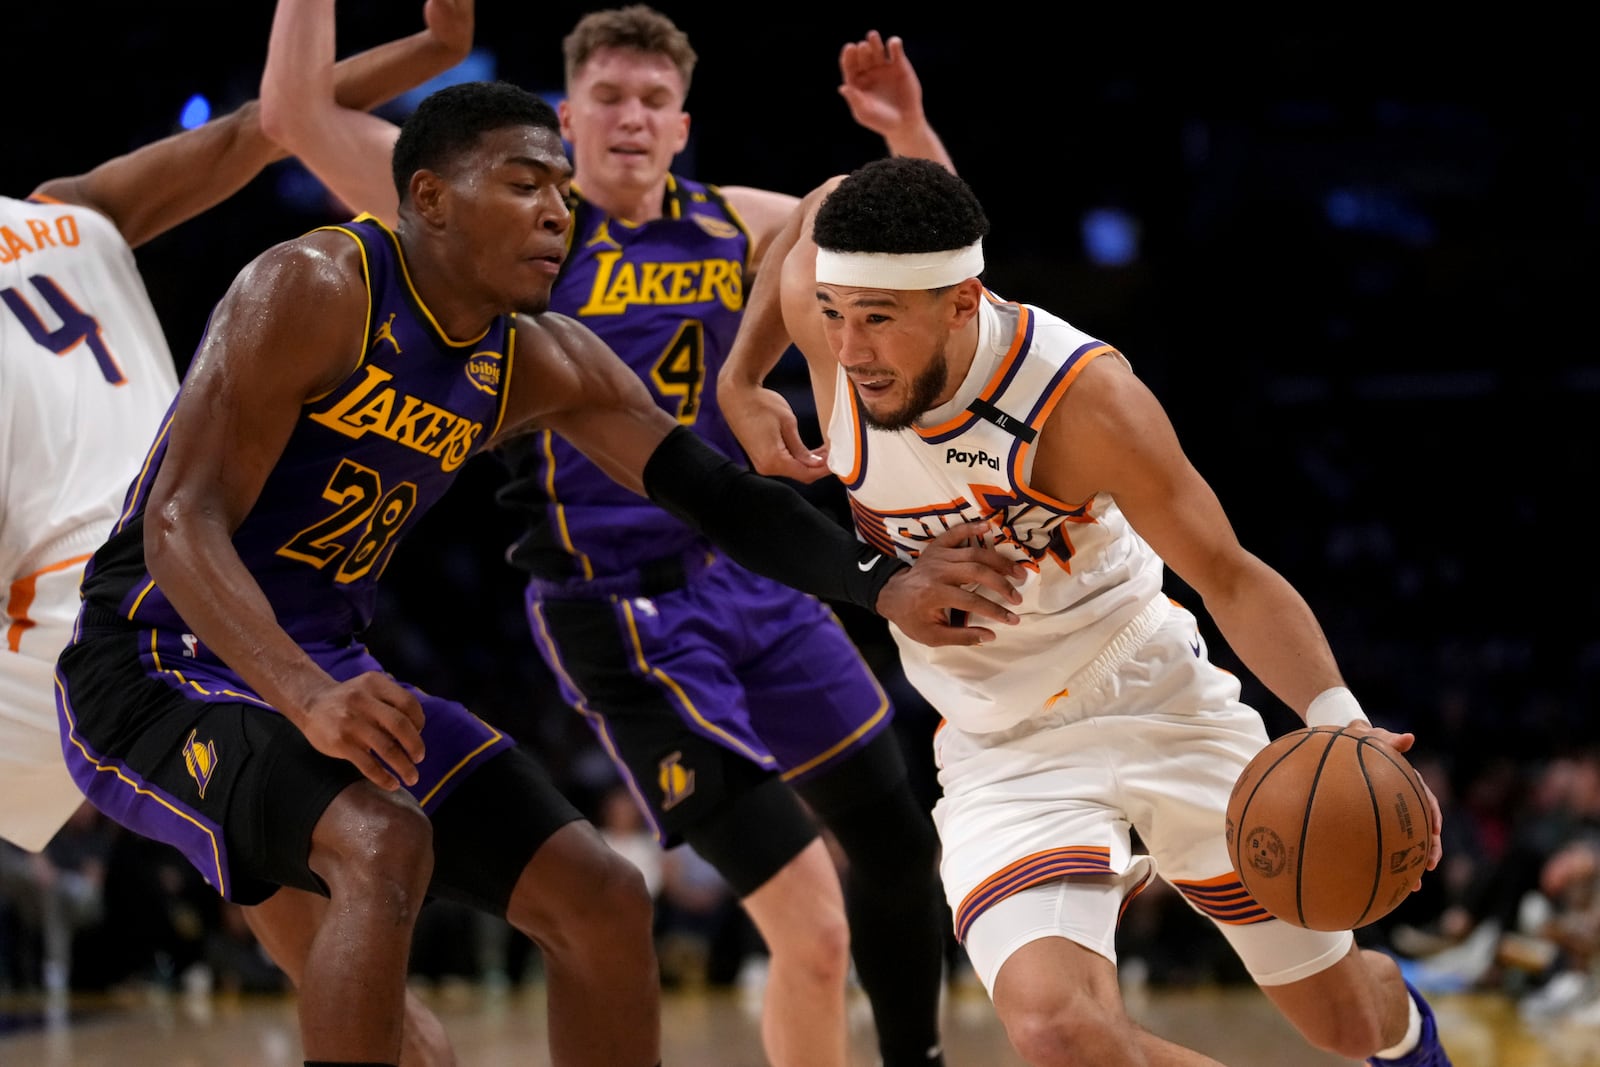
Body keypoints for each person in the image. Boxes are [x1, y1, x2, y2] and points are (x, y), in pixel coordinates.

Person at [54, 79, 1018, 1067]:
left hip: (329, 671)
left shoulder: (541, 358)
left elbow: (723, 498)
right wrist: (306, 695)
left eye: (563, 188)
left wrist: (881, 576)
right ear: (428, 198)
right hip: (159, 659)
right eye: (524, 184)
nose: (559, 210)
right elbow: (180, 520)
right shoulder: (318, 286)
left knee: (600, 893)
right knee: (382, 842)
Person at [257, 5, 959, 1066]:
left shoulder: (735, 225)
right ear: (564, 115)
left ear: (681, 126)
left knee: (901, 850)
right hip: (620, 609)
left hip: (756, 575)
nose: (630, 118)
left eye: (652, 101)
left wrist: (904, 129)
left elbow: (926, 246)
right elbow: (295, 113)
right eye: (608, 97)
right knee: (811, 929)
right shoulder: (511, 228)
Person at [716, 154, 1455, 1067]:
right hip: (1002, 742)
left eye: (878, 318)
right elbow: (816, 208)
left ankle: (1412, 1041)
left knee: (1344, 1018)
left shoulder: (1080, 396)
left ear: (960, 300)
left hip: (1152, 689)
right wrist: (742, 379)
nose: (850, 347)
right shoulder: (827, 319)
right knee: (1059, 1031)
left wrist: (1343, 720)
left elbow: (1227, 572)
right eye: (834, 314)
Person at [1, 0, 477, 1045]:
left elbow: (260, 123)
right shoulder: (53, 216)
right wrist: (428, 51)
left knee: (343, 929)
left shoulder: (64, 214)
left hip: (102, 621)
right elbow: (261, 127)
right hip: (215, 582)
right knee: (348, 928)